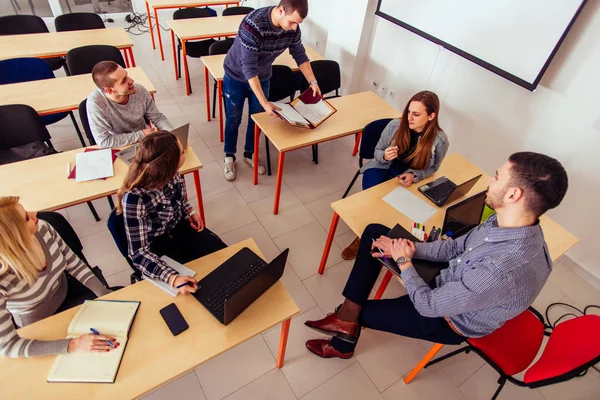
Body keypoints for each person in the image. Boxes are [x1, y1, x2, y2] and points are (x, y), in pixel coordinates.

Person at [304, 152, 568, 359]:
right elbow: (454, 248)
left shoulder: (501, 268)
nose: (490, 180)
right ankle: (345, 318)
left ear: (513, 194)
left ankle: (343, 338)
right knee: (375, 232)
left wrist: (404, 262)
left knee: (359, 313)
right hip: (454, 281)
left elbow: (429, 306)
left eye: (497, 176)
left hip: (448, 320)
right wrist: (410, 248)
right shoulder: (506, 223)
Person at [0, 197, 115, 358]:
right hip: (40, 326)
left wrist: (104, 293)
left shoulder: (43, 228)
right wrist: (73, 344)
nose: (35, 214)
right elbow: (7, 346)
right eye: (26, 218)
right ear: (14, 237)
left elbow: (74, 263)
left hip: (69, 293)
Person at [341, 91, 449, 260]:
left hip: (406, 177)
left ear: (431, 116)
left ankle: (387, 236)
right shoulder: (394, 126)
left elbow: (433, 168)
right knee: (377, 200)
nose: (409, 118)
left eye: (416, 114)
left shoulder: (440, 140)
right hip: (382, 168)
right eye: (408, 112)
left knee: (407, 208)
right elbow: (376, 152)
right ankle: (363, 236)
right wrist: (384, 156)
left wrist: (415, 175)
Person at [221, 0, 321, 181]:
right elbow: (249, 69)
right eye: (292, 22)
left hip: (263, 76)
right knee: (233, 119)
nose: (294, 28)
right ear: (281, 10)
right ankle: (229, 156)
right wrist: (265, 103)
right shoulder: (253, 25)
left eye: (297, 24)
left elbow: (299, 54)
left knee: (257, 119)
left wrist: (312, 81)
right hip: (236, 76)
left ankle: (249, 154)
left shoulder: (292, 28)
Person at [117, 131, 227, 294]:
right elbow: (139, 253)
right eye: (182, 152)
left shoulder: (172, 173)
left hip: (179, 229)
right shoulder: (134, 200)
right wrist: (172, 278)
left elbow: (180, 199)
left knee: (223, 261)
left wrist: (189, 212)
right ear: (168, 164)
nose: (185, 153)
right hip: (156, 246)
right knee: (196, 289)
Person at [86, 60, 173, 148]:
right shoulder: (96, 103)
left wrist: (172, 134)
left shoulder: (139, 90)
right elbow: (104, 141)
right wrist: (141, 134)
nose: (131, 80)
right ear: (109, 90)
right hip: (118, 146)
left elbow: (158, 118)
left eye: (126, 75)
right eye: (123, 81)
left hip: (145, 141)